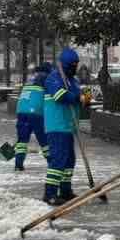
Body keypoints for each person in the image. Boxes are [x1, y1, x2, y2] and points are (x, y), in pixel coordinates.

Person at [41, 47, 83, 203]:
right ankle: (50, 194)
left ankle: (65, 191)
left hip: (68, 126)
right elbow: (60, 96)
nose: (75, 68)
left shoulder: (73, 81)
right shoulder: (54, 78)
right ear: (65, 65)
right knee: (58, 159)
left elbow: (78, 96)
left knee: (69, 160)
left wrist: (83, 98)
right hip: (56, 125)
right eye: (72, 65)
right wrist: (76, 98)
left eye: (76, 65)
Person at [13, 62, 49, 171]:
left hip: (21, 110)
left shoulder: (31, 78)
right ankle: (52, 162)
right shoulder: (45, 77)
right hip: (35, 111)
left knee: (22, 140)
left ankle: (18, 164)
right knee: (43, 138)